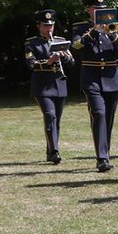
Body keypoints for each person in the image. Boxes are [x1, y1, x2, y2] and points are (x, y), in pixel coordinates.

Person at [71, 0, 118, 172]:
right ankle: (101, 157)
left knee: (108, 117)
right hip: (91, 78)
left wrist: (112, 33)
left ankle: (105, 152)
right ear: (88, 10)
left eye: (102, 8)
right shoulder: (80, 27)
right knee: (98, 113)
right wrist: (93, 31)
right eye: (96, 8)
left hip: (111, 77)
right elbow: (76, 47)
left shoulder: (114, 27)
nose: (100, 11)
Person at [26, 9, 74, 163]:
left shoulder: (60, 41)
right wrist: (48, 62)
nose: (49, 29)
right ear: (38, 26)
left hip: (59, 84)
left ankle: (50, 150)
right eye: (46, 26)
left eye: (51, 26)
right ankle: (55, 151)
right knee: (50, 115)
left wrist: (65, 58)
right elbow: (31, 64)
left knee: (56, 120)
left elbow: (72, 63)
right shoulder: (32, 43)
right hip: (42, 87)